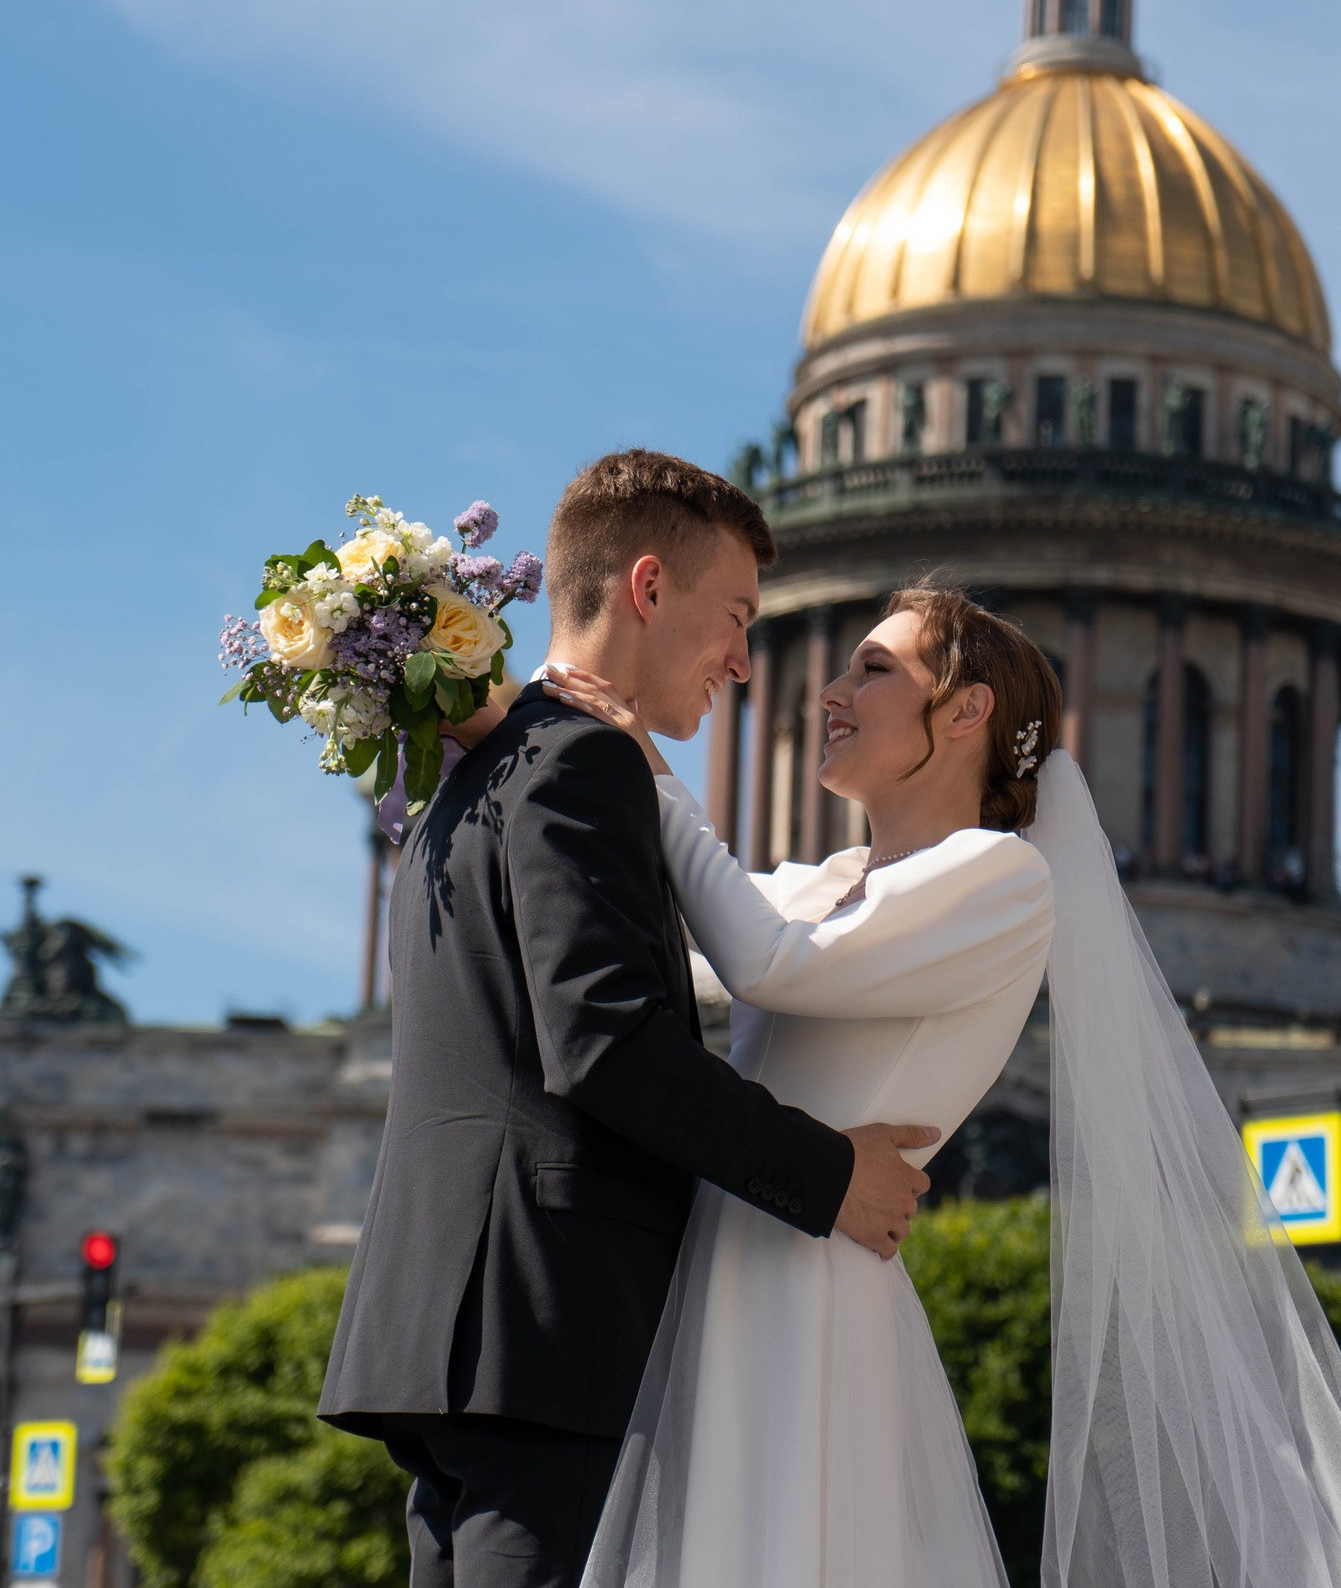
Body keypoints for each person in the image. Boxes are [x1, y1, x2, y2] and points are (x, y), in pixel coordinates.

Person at [543, 587, 1341, 1588]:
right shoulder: (824, 880)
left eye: (872, 670)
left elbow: (767, 965)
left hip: (806, 1286)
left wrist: (647, 769)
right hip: (727, 1271)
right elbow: (647, 938)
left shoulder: (999, 879)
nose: (826, 696)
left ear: (966, 711)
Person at [316, 450, 939, 1588]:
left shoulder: (480, 768)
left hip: (464, 1337)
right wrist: (830, 1174)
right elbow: (604, 1042)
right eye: (736, 617)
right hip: (554, 1329)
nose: (746, 663)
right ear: (649, 588)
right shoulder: (579, 763)